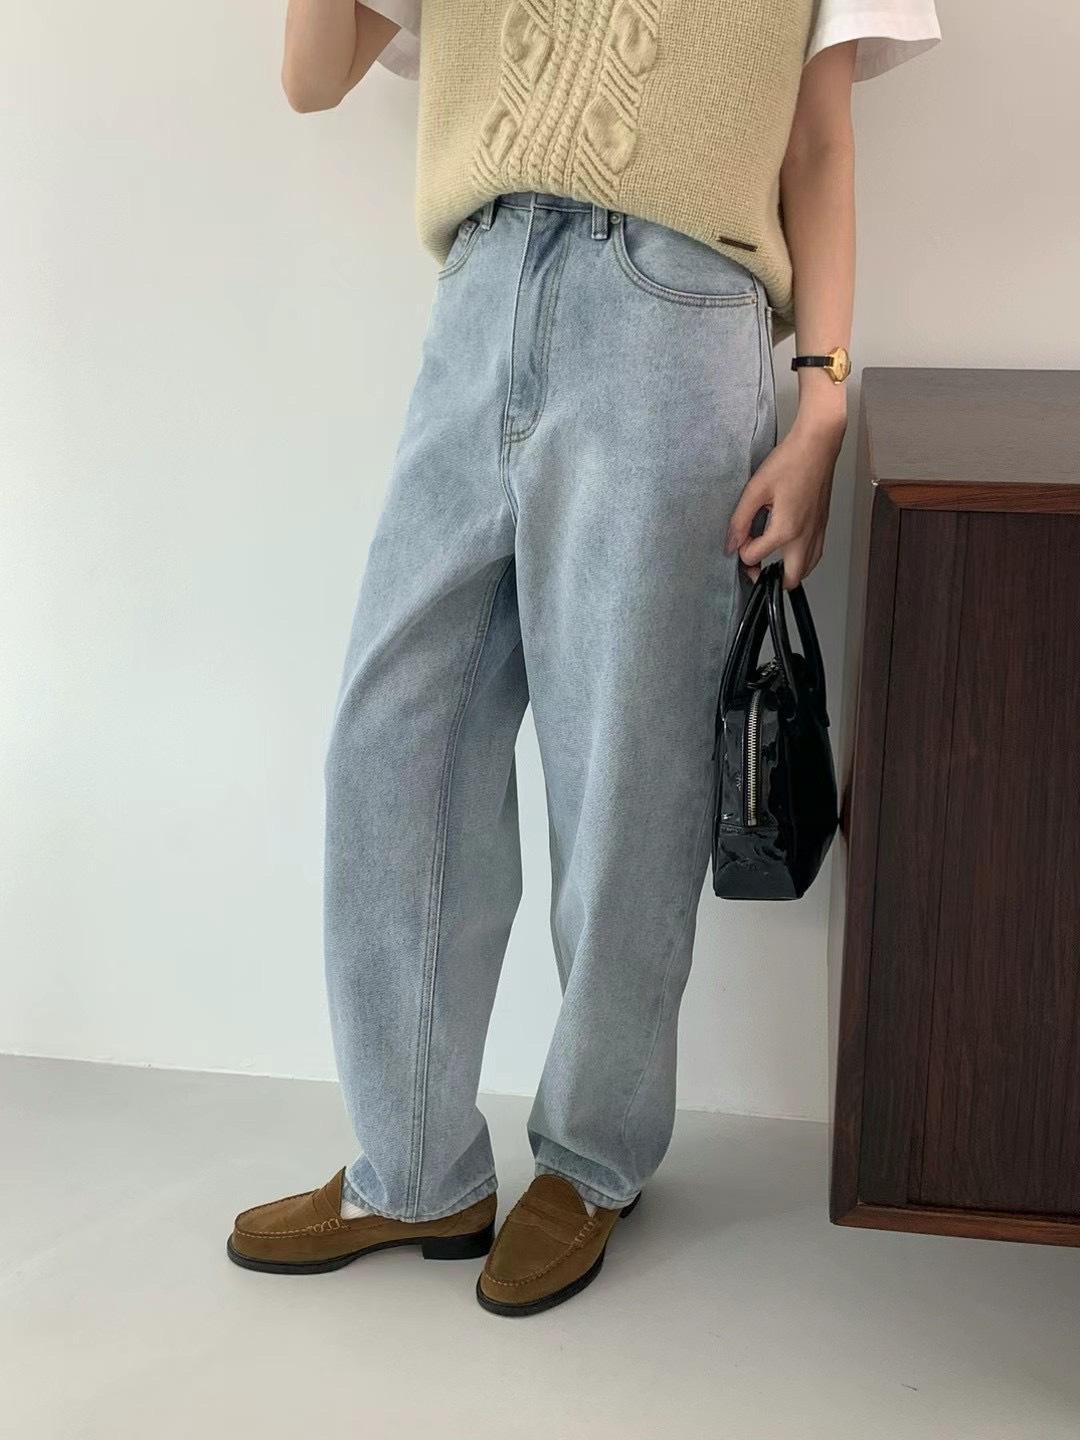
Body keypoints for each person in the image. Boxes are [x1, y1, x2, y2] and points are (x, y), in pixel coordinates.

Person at [227, 0, 940, 1315]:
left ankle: (594, 1156)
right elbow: (310, 76)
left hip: (677, 304)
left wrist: (824, 403)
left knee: (624, 773)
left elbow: (818, 136)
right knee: (391, 739)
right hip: (480, 286)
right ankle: (414, 1167)